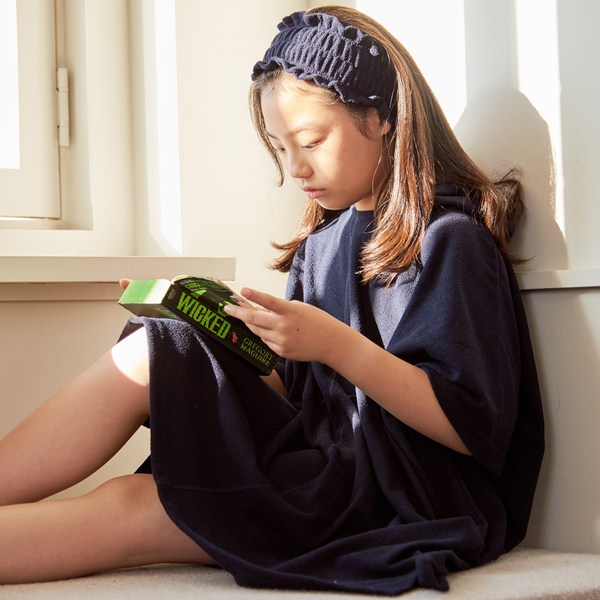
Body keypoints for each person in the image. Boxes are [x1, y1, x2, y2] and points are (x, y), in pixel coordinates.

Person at [0, 6, 544, 595]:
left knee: (136, 503)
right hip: (323, 451)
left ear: (381, 116)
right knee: (160, 346)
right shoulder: (323, 245)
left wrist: (332, 344)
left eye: (311, 141)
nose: (295, 167)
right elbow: (305, 395)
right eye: (280, 148)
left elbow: (470, 427)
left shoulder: (451, 241)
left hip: (396, 488)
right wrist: (232, 336)